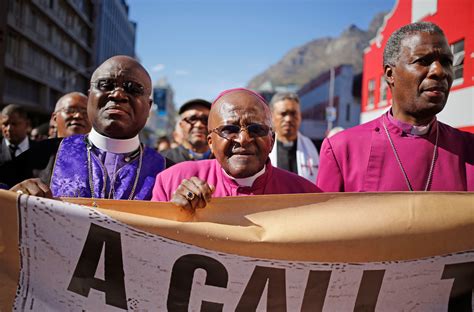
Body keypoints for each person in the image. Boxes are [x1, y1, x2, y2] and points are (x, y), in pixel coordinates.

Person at [316, 22, 474, 192]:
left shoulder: (469, 147)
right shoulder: (342, 150)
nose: (440, 71)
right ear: (390, 74)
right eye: (423, 61)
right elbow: (325, 218)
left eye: (447, 62)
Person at [1, 55, 171, 199]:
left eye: (132, 88)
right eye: (106, 85)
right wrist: (11, 196)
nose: (118, 94)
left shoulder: (169, 173)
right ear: (90, 97)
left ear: (149, 107)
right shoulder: (43, 156)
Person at [152, 88, 319, 211]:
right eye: (229, 129)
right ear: (210, 142)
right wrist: (173, 214)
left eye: (256, 129)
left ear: (272, 140)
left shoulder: (306, 196)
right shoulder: (172, 182)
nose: (244, 139)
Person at [269, 92, 319, 183]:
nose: (288, 119)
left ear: (300, 116)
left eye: (293, 113)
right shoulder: (265, 149)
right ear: (272, 117)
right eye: (283, 114)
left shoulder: (312, 147)